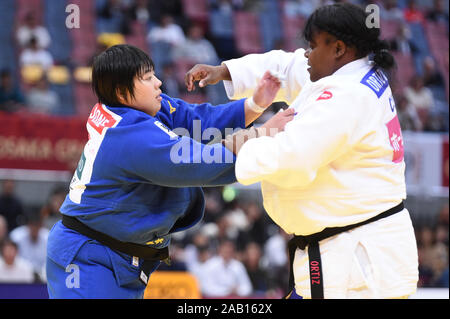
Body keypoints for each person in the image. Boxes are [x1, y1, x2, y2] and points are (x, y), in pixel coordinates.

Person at [185, 3, 419, 299]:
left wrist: (245, 141)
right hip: (349, 250)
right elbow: (286, 66)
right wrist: (226, 70)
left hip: (357, 265)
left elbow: (292, 156)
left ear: (338, 49)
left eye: (312, 46)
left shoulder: (347, 96)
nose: (306, 54)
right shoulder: (349, 70)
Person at [45, 44, 292, 299]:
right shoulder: (129, 136)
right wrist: (261, 134)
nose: (158, 83)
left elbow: (199, 121)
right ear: (121, 92)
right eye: (147, 78)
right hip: (89, 260)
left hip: (118, 256)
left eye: (154, 74)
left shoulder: (143, 108)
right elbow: (200, 164)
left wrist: (255, 105)